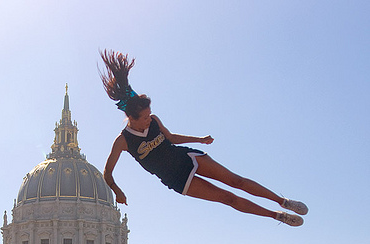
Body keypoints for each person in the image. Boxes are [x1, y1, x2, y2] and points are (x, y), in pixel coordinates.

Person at [99, 50, 308, 227]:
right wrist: (117, 191)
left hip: (186, 158)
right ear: (131, 118)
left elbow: (171, 138)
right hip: (175, 178)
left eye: (149, 115)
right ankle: (278, 216)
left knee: (236, 180)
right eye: (144, 117)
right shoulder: (123, 141)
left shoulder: (154, 120)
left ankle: (283, 201)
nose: (148, 119)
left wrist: (199, 139)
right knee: (229, 199)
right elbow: (107, 172)